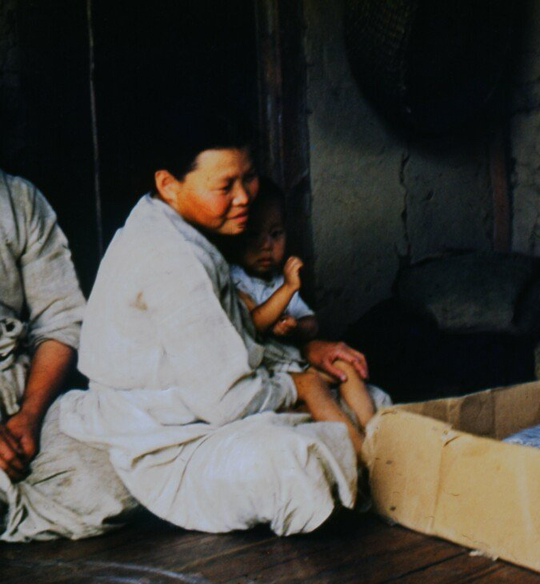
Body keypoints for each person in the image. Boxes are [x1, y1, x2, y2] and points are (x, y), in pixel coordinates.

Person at [58, 111, 373, 535]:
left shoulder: (183, 226)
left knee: (366, 397)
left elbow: (237, 334)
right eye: (225, 186)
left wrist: (307, 351)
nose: (244, 197)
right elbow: (226, 400)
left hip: (206, 405)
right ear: (169, 185)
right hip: (166, 437)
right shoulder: (172, 257)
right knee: (296, 459)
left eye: (249, 177)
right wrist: (298, 385)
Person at [0, 170, 137, 541]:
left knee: (124, 467)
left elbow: (60, 320)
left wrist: (29, 416)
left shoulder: (18, 198)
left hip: (19, 411)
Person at [228, 178, 377, 437]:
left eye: (276, 234)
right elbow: (254, 324)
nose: (266, 246)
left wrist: (297, 328)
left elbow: (312, 325)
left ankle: (376, 433)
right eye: (254, 235)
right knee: (316, 390)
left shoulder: (277, 278)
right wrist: (288, 289)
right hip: (272, 372)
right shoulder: (235, 278)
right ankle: (359, 448)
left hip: (296, 362)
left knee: (345, 367)